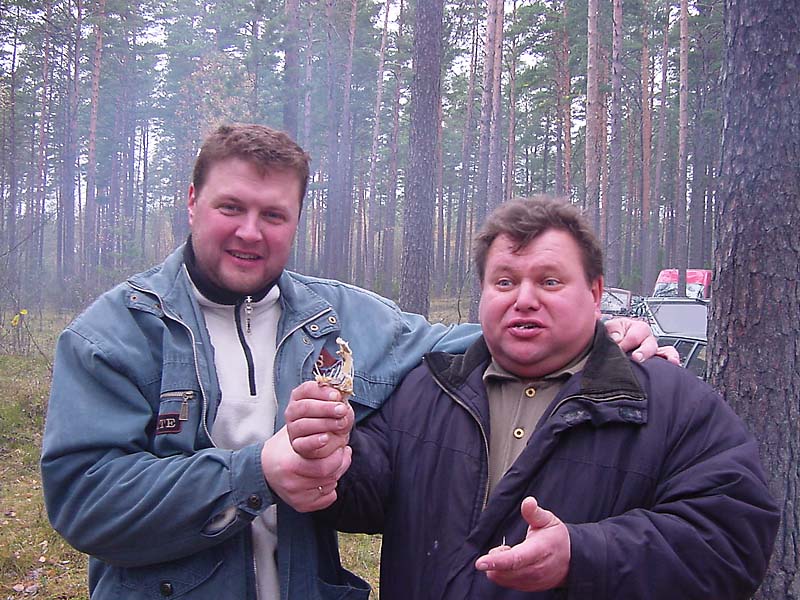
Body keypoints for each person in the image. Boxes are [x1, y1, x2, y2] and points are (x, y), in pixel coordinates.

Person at [40, 124, 662, 600]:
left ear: (296, 221)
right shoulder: (114, 335)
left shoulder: (338, 317)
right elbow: (84, 501)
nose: (251, 232)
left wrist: (597, 334)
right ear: (192, 201)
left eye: (274, 215)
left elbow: (468, 340)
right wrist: (256, 473)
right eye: (232, 207)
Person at [285, 196, 779, 599]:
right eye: (505, 281)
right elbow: (366, 497)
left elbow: (732, 543)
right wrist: (330, 456)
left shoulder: (672, 404)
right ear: (482, 293)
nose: (524, 299)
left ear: (595, 293)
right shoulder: (427, 388)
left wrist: (582, 557)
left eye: (549, 281)